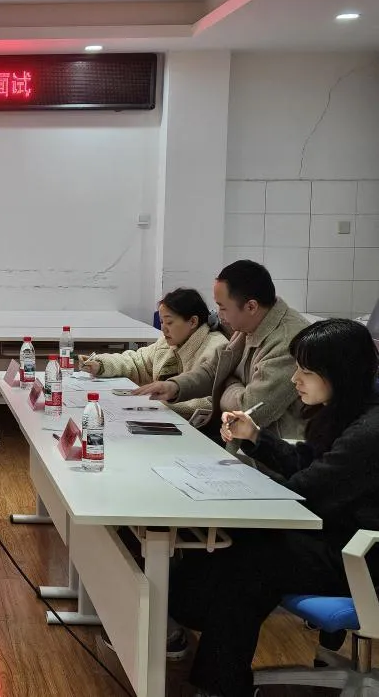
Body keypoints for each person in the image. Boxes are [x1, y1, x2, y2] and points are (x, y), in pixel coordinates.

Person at [168, 318, 379, 697]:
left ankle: (219, 683)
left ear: (341, 373)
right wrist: (255, 437)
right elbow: (309, 465)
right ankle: (197, 637)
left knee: (250, 560)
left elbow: (307, 491)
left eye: (307, 371)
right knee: (235, 548)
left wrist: (234, 491)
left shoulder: (370, 431)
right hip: (338, 539)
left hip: (363, 559)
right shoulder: (347, 411)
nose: (295, 379)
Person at [135, 260, 309, 442]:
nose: (218, 314)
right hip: (236, 439)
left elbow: (249, 410)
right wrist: (175, 387)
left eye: (223, 307)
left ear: (251, 306)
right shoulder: (249, 324)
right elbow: (214, 370)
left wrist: (227, 380)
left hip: (271, 451)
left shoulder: (288, 342)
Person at [78, 288, 227, 419]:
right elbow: (137, 362)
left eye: (169, 322)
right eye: (161, 322)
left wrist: (160, 404)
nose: (163, 329)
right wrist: (101, 364)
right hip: (164, 418)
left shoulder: (216, 348)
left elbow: (209, 402)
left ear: (193, 322)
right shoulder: (167, 344)